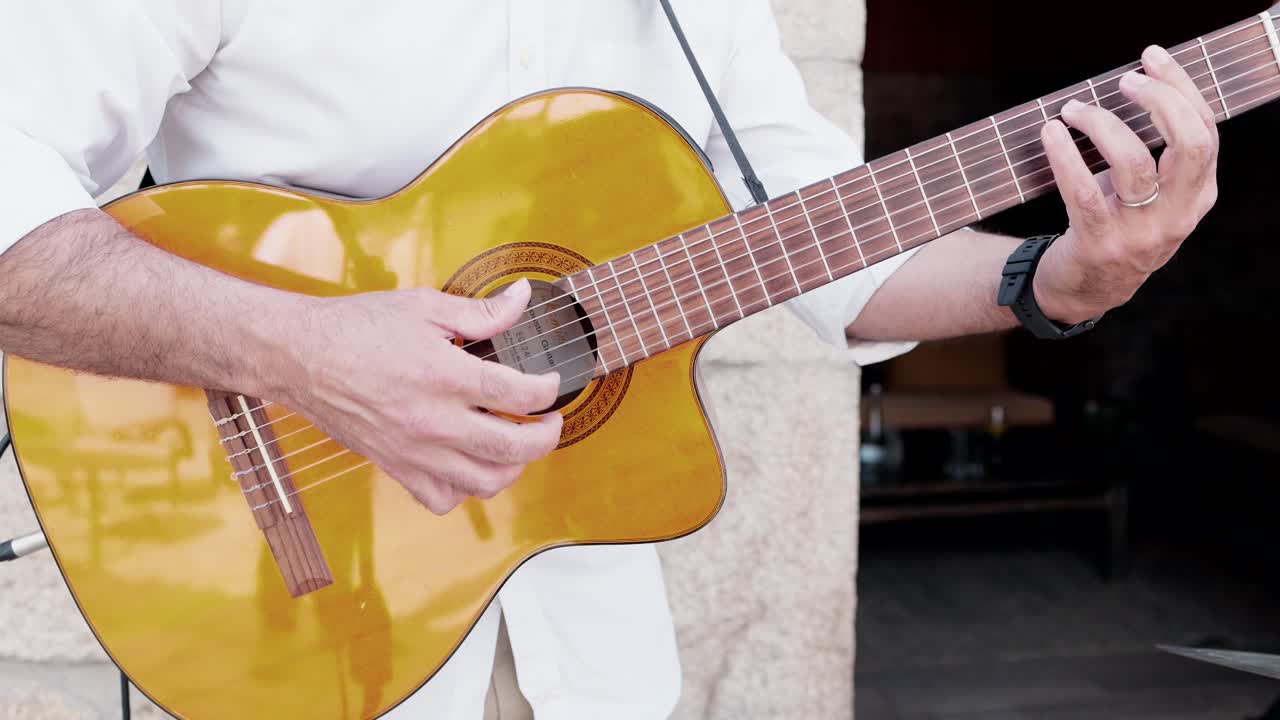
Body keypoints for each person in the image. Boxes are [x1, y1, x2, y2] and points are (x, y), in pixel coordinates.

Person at [0, 1, 1218, 718]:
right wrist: (305, 354)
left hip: (597, 658)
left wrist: (1054, 282)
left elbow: (804, 222)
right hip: (291, 606)